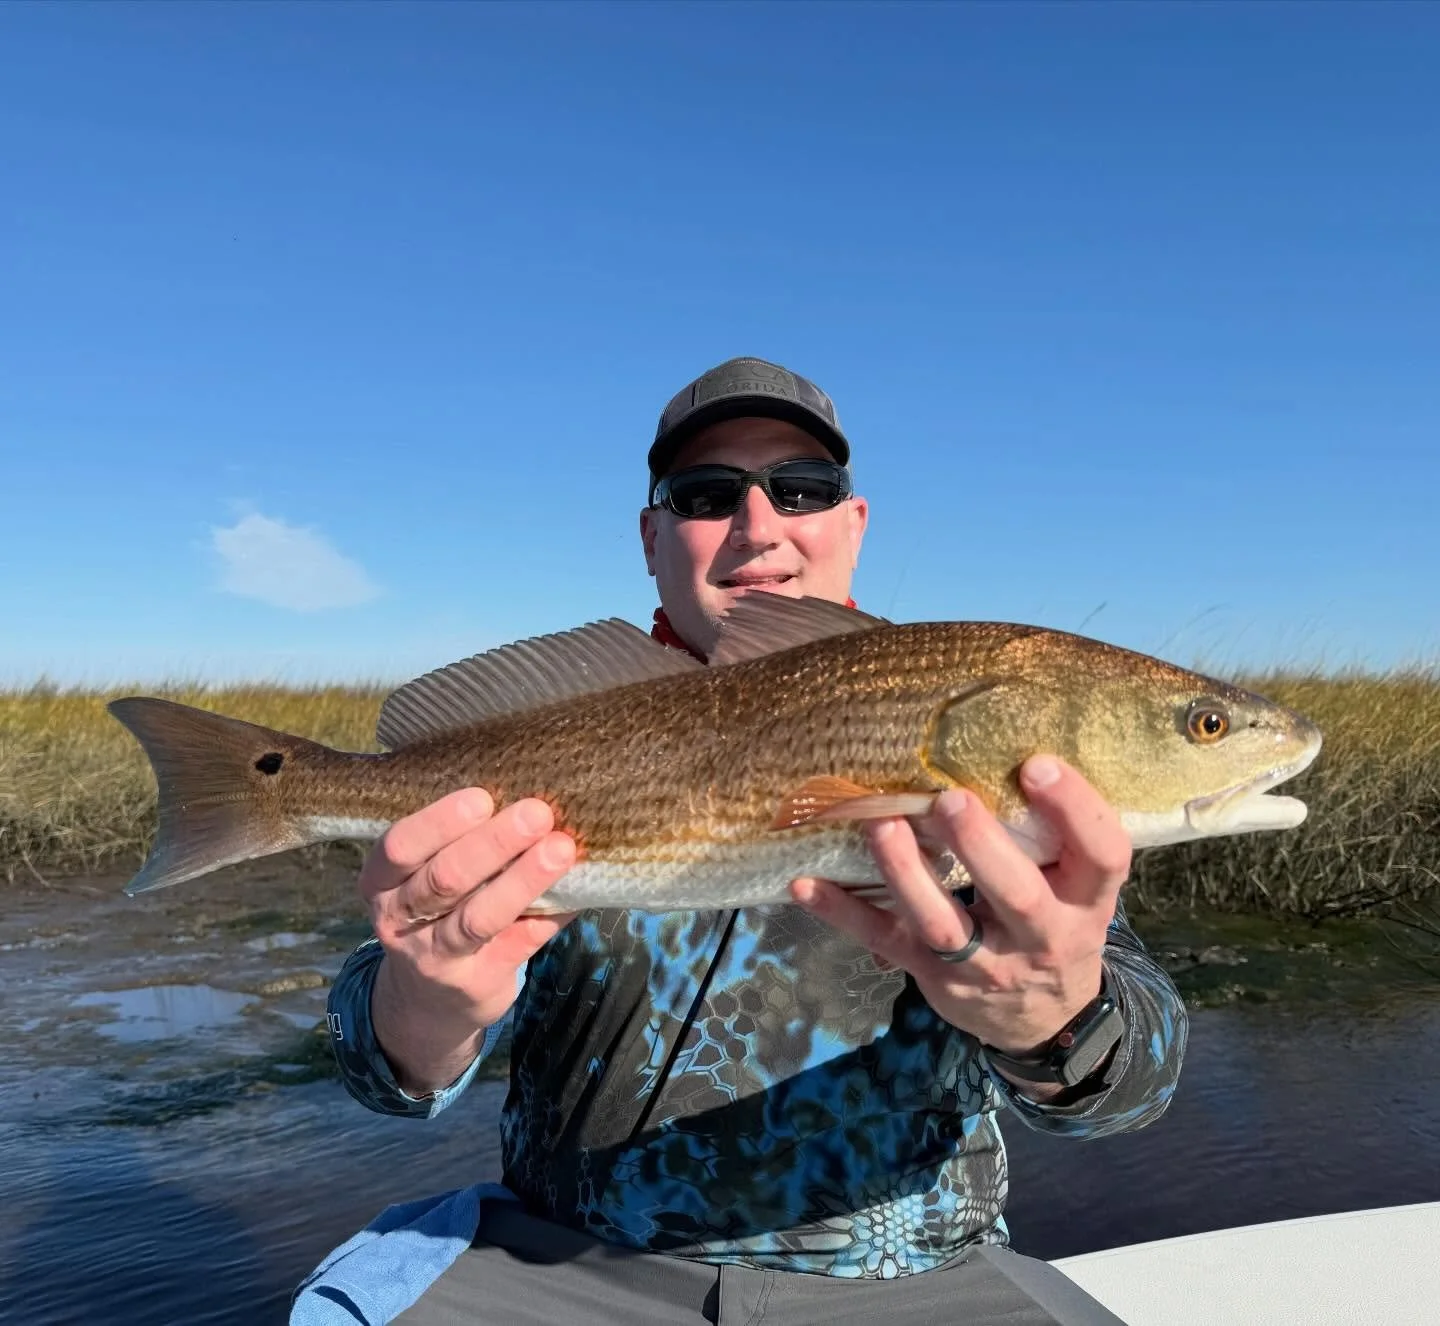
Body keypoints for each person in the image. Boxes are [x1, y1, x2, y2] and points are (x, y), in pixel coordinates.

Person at [300, 357, 1188, 1325]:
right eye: (706, 494)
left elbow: (1135, 1081)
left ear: (854, 524)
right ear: (652, 537)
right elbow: (373, 1064)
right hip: (565, 1271)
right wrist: (426, 1007)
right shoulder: (554, 732)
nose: (759, 526)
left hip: (920, 1279)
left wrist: (1058, 1017)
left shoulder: (979, 718)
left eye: (803, 489)